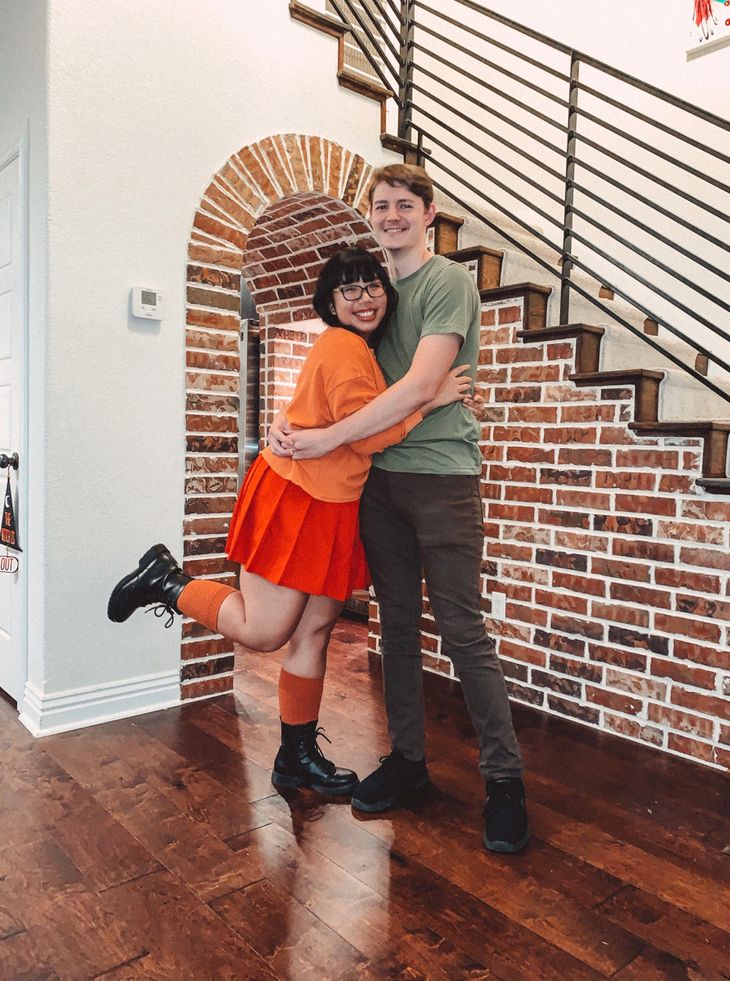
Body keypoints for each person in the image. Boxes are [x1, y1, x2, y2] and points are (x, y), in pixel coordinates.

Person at [107, 247, 471, 800]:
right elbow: (367, 434)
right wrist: (432, 400)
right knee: (266, 630)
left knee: (315, 632)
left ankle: (295, 757)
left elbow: (329, 416)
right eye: (348, 290)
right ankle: (165, 580)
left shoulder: (361, 351)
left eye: (372, 286)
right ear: (329, 302)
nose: (364, 298)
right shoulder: (345, 344)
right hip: (297, 498)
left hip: (334, 504)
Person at [270, 164, 529, 853]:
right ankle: (409, 762)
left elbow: (418, 386)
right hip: (378, 485)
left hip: (442, 478)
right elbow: (342, 381)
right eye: (381, 205)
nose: (391, 215)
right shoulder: (375, 294)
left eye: (404, 205)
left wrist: (324, 437)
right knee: (398, 629)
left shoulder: (447, 281)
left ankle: (504, 782)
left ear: (428, 212)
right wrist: (289, 427)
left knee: (463, 630)